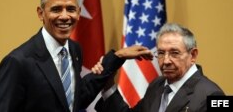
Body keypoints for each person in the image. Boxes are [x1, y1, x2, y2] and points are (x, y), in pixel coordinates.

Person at [0, 0, 153, 112]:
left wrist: (117, 57)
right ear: (41, 13)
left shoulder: (75, 50)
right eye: (56, 9)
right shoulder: (17, 62)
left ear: (79, 12)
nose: (64, 16)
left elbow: (73, 99)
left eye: (70, 9)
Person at [92, 23, 225, 112]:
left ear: (193, 55)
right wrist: (108, 84)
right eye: (161, 53)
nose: (166, 61)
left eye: (174, 53)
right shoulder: (157, 85)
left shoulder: (214, 95)